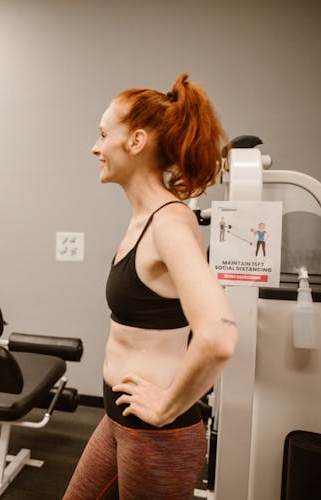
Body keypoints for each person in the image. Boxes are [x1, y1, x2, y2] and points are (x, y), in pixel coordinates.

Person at [63, 74, 239, 499]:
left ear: (136, 142)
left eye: (104, 135)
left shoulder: (170, 222)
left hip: (158, 436)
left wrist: (166, 406)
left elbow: (219, 337)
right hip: (119, 420)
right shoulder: (145, 219)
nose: (95, 147)